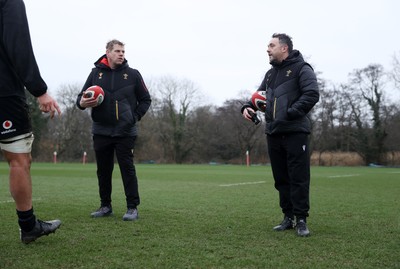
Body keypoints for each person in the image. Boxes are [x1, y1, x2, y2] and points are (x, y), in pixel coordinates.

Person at [241, 33, 319, 236]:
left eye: (271, 45)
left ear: (284, 48)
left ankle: (301, 220)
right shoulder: (270, 74)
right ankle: (288, 217)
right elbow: (257, 98)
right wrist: (247, 108)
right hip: (273, 133)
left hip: (295, 132)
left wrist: (290, 113)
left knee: (298, 177)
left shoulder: (303, 69)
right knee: (281, 179)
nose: (267, 49)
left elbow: (312, 94)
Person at [0, 0, 62, 243]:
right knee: (18, 160)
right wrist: (39, 90)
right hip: (3, 92)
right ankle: (28, 227)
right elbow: (18, 43)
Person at [77, 39, 151, 221]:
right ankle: (105, 206)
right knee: (103, 170)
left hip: (125, 132)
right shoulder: (95, 74)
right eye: (117, 51)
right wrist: (82, 102)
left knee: (127, 169)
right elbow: (81, 97)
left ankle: (132, 208)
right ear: (108, 52)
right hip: (101, 130)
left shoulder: (133, 74)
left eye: (123, 51)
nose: (121, 54)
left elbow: (146, 100)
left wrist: (133, 118)